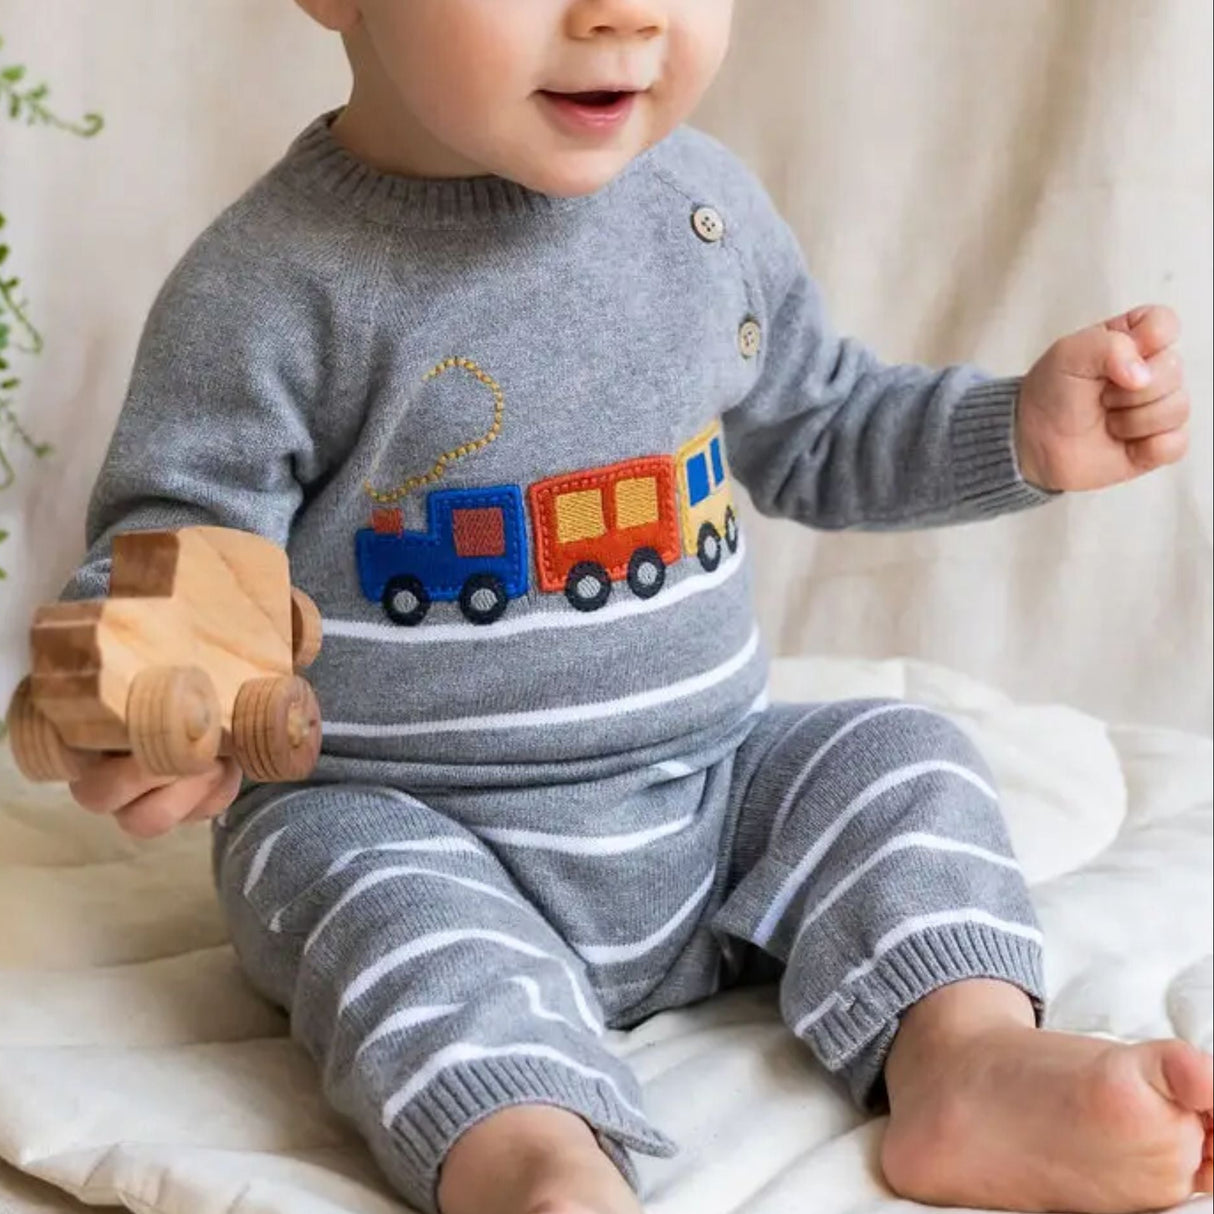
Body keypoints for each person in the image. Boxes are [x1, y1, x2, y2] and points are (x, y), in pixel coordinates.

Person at [63, 2, 1212, 1212]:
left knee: (899, 753)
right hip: (412, 822)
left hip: (710, 800)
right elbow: (178, 538)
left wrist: (1015, 428)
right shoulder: (270, 283)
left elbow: (820, 424)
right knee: (371, 903)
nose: (622, 10)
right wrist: (149, 691)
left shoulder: (699, 211)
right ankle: (534, 1159)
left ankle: (965, 1052)